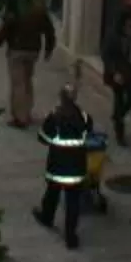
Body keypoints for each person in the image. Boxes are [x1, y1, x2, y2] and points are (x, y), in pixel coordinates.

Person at [35, 82, 94, 247]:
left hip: (57, 165)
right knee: (73, 201)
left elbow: (43, 138)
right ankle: (71, 236)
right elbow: (89, 133)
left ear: (61, 97)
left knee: (52, 193)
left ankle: (47, 217)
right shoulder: (84, 116)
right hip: (77, 166)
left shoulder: (54, 116)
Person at [0, 0, 56, 130]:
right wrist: (48, 50)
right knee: (27, 81)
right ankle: (27, 112)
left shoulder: (16, 9)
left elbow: (6, 28)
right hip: (33, 50)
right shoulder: (40, 11)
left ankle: (20, 117)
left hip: (17, 49)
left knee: (18, 84)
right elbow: (49, 31)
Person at [100, 8, 131, 146]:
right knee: (119, 99)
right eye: (130, 26)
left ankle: (117, 116)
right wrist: (114, 72)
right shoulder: (114, 36)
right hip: (118, 73)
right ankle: (120, 132)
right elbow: (106, 55)